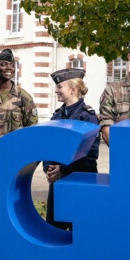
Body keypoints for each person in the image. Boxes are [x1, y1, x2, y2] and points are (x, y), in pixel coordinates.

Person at [44, 68, 100, 230]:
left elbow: (90, 155)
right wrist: (49, 169)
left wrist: (63, 169)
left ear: (73, 89)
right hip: (58, 184)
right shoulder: (56, 116)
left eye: (60, 86)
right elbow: (48, 147)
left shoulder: (88, 116)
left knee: (81, 232)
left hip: (80, 184)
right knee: (55, 233)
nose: (56, 90)